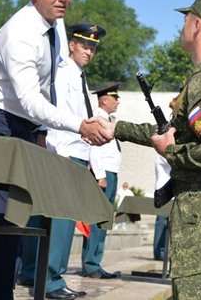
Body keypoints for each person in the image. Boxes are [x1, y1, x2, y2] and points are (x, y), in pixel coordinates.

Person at [0, 0, 110, 300]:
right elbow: (29, 98)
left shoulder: (56, 26)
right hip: (1, 125)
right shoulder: (20, 32)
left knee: (19, 222)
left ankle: (4, 289)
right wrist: (78, 125)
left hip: (28, 128)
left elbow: (47, 88)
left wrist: (41, 132)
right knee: (2, 223)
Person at [101, 0, 201, 299]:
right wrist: (116, 129)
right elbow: (170, 133)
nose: (182, 25)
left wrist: (170, 152)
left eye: (185, 19)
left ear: (196, 25)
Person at [82, 82, 123, 278]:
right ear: (104, 100)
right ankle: (91, 264)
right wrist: (100, 175)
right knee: (98, 219)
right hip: (104, 174)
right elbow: (94, 148)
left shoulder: (107, 118)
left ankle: (95, 262)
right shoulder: (97, 119)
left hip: (110, 173)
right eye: (115, 98)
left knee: (104, 220)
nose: (118, 101)